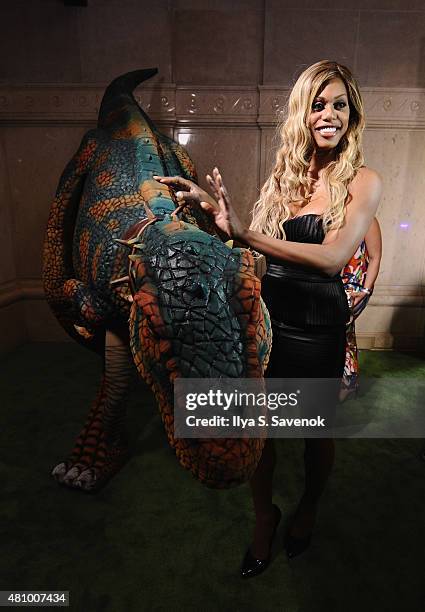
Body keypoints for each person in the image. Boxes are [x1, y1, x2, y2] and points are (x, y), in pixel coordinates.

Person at [154, 59, 382, 578]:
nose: (329, 114)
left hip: (320, 322)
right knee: (259, 430)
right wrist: (214, 212)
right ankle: (265, 517)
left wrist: (244, 233)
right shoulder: (285, 179)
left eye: (340, 104)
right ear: (303, 113)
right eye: (319, 104)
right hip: (270, 317)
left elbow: (330, 258)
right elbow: (250, 252)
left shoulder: (365, 182)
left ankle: (308, 510)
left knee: (313, 433)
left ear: (353, 115)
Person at [340, 217, 382, 402]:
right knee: (345, 335)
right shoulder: (331, 214)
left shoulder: (368, 219)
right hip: (332, 283)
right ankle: (348, 381)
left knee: (339, 332)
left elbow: (375, 256)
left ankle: (346, 383)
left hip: (355, 288)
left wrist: (365, 289)